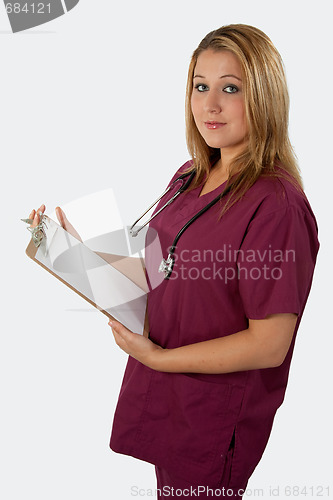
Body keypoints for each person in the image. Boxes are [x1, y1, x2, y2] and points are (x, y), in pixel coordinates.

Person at [29, 24, 319, 499]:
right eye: (200, 86)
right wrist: (70, 250)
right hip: (167, 400)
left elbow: (269, 344)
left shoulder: (276, 204)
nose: (210, 104)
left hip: (210, 415)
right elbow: (156, 277)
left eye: (231, 88)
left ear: (265, 96)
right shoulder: (189, 175)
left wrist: (161, 359)